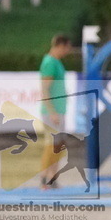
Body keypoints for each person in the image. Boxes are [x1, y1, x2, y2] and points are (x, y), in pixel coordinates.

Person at [39, 33, 73, 188]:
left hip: (59, 109)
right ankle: (44, 178)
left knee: (58, 146)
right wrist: (51, 111)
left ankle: (52, 177)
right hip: (53, 111)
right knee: (51, 145)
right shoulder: (50, 63)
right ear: (61, 45)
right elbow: (45, 89)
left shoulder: (57, 62)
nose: (68, 51)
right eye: (67, 48)